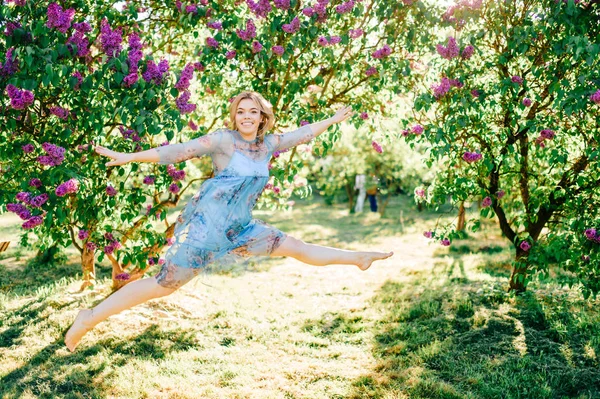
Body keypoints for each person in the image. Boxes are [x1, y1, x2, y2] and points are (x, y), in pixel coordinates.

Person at [65, 91, 394, 352]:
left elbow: (303, 133)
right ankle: (89, 318)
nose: (246, 117)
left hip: (242, 230)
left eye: (253, 111)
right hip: (207, 232)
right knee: (162, 287)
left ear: (262, 116)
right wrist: (129, 157)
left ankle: (358, 258)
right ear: (234, 116)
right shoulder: (223, 141)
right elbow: (178, 151)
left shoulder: (268, 144)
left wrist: (333, 119)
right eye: (241, 111)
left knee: (297, 247)